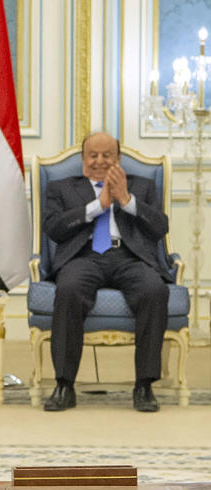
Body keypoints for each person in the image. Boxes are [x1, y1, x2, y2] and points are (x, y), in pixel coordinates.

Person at [42, 132, 171, 413]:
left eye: (107, 155)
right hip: (83, 257)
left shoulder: (142, 186)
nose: (99, 161)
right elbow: (54, 228)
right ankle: (64, 385)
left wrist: (127, 201)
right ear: (83, 159)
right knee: (69, 290)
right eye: (93, 155)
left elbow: (160, 227)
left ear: (118, 159)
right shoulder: (61, 188)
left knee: (154, 290)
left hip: (130, 257)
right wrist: (97, 206)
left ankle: (144, 386)